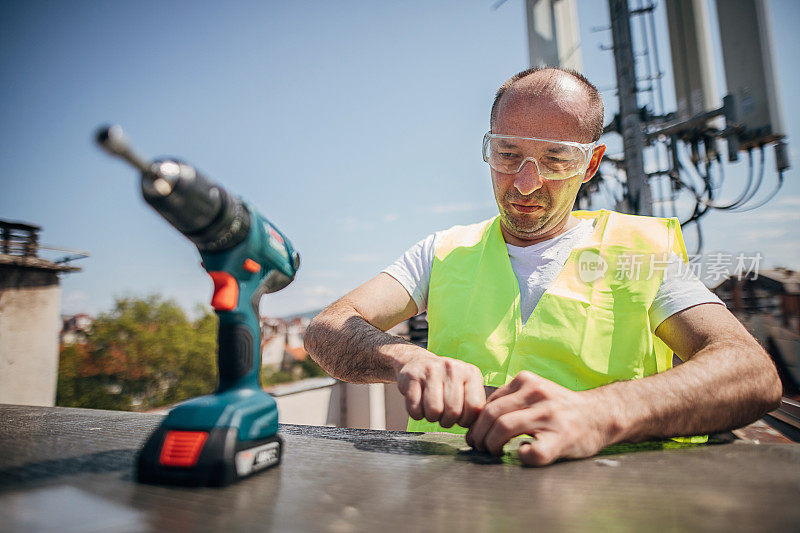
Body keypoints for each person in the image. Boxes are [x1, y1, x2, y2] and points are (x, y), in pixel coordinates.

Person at [303, 66, 782, 466]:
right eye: (508, 154)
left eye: (556, 159)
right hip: (449, 505)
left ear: (591, 164)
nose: (526, 183)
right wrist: (407, 358)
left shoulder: (640, 252)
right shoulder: (443, 250)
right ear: (488, 149)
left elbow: (750, 372)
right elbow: (327, 328)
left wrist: (600, 413)